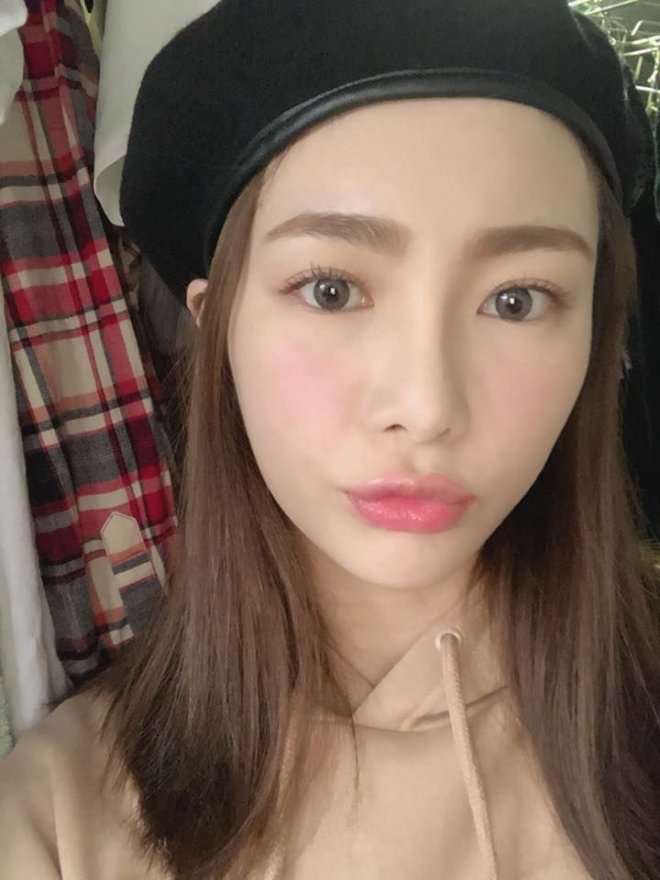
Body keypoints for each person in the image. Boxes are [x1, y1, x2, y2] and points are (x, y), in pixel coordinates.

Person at [1, 1, 659, 878]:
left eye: (516, 299)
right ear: (217, 330)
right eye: (331, 291)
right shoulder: (58, 821)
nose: (425, 406)